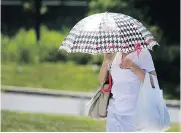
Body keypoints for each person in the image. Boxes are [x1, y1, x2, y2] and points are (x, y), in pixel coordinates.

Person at [99, 49, 157, 132]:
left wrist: (132, 66)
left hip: (135, 113)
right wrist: (105, 61)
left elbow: (152, 83)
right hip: (114, 110)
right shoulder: (114, 53)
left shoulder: (143, 53)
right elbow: (102, 80)